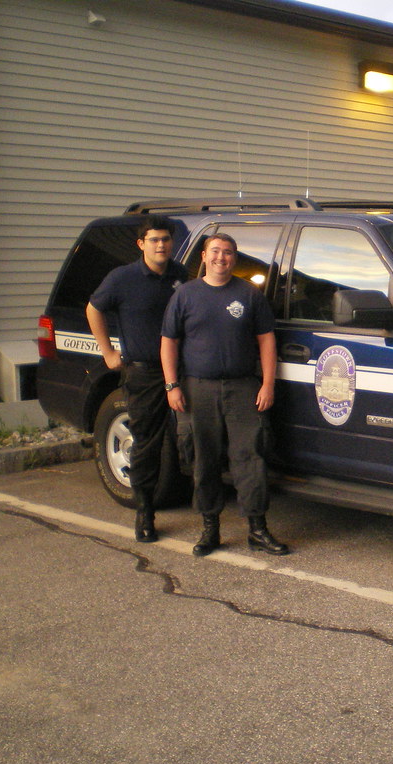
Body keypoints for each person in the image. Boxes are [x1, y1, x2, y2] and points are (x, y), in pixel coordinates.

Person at [160, 233, 289, 557]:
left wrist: (268, 384)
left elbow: (266, 341)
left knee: (251, 458)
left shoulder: (249, 294)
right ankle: (210, 529)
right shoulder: (185, 295)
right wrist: (172, 385)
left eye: (228, 253)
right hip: (196, 389)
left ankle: (257, 530)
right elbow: (169, 342)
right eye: (215, 251)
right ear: (204, 256)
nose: (222, 257)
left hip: (243, 388)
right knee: (203, 460)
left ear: (234, 258)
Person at [86, 215, 187, 543]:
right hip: (145, 372)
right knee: (148, 444)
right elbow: (93, 309)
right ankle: (145, 513)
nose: (161, 245)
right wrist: (107, 352)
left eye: (166, 240)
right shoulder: (122, 278)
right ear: (141, 244)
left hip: (185, 368)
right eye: (154, 240)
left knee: (192, 435)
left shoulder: (180, 276)